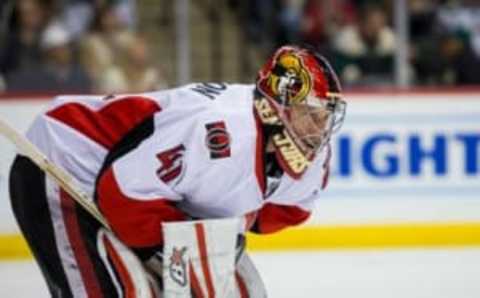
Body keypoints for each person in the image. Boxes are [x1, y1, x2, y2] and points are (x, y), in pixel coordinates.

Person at [9, 45, 346, 297]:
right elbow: (121, 192)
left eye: (325, 116)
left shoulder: (313, 157)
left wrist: (216, 229)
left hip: (129, 189)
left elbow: (287, 211)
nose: (319, 128)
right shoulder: (218, 130)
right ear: (277, 107)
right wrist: (177, 242)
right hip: (62, 161)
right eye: (309, 113)